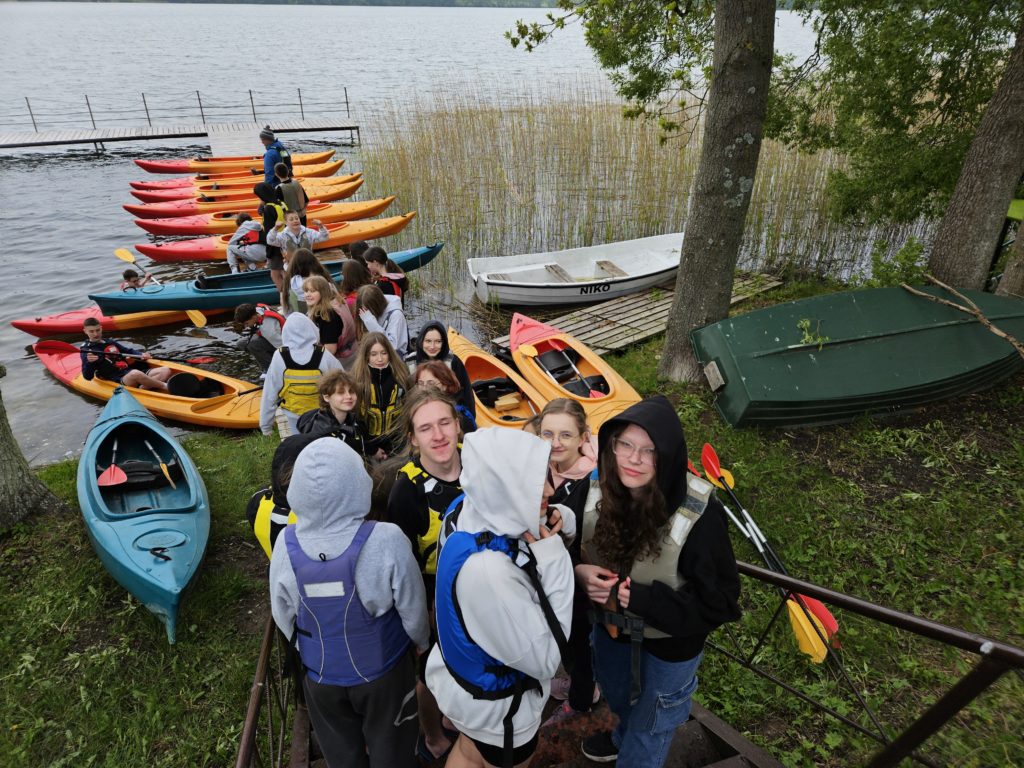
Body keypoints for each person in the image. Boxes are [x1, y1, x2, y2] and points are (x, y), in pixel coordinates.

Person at [576, 396, 741, 767]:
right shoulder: (595, 491)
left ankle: (632, 748)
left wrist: (648, 601)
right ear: (610, 446)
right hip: (611, 632)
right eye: (626, 445)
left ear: (667, 457)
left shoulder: (701, 518)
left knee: (652, 724)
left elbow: (722, 602)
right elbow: (561, 542)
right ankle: (621, 733)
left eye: (649, 451)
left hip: (670, 647)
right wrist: (578, 573)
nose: (634, 460)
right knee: (618, 698)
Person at [269, 437, 429, 768]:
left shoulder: (285, 545)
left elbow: (282, 612)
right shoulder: (387, 539)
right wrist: (421, 642)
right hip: (384, 672)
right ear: (359, 482)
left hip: (321, 674)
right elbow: (412, 606)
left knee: (341, 754)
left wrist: (303, 648)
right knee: (393, 749)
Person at [425, 428, 574, 768]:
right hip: (502, 714)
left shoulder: (467, 507)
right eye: (537, 483)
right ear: (506, 486)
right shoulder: (489, 574)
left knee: (467, 751)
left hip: (465, 688)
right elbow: (548, 659)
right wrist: (555, 558)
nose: (551, 489)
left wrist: (558, 516)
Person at [386, 388, 465, 761]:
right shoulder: (407, 492)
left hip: (476, 584)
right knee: (431, 668)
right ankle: (432, 735)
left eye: (445, 423)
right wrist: (422, 613)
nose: (439, 435)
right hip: (431, 590)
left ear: (458, 425)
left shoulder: (478, 464)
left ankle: (457, 714)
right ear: (413, 440)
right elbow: (403, 564)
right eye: (426, 428)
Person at [534, 399, 600, 726]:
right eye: (548, 433)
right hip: (550, 578)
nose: (555, 443)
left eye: (565, 435)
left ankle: (581, 699)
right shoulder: (542, 467)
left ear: (582, 438)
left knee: (577, 643)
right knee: (562, 639)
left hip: (579, 583)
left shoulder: (594, 480)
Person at [260, 313, 342, 437]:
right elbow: (343, 380)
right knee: (321, 440)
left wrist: (265, 425)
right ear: (312, 330)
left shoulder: (279, 356)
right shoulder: (323, 355)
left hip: (293, 414)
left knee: (299, 442)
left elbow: (270, 392)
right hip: (321, 414)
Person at [351, 332, 412, 460]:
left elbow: (408, 411)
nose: (380, 359)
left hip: (397, 443)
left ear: (389, 353)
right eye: (374, 354)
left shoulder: (401, 376)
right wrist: (371, 450)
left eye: (384, 353)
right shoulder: (358, 381)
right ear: (366, 356)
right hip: (369, 445)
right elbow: (356, 421)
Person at [80, 317, 173, 391]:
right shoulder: (87, 350)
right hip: (118, 379)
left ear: (101, 328)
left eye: (97, 330)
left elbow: (128, 351)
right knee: (136, 373)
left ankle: (143, 389)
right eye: (91, 331)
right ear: (85, 331)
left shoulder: (108, 342)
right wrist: (90, 363)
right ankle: (165, 386)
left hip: (128, 371)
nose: (96, 334)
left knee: (165, 370)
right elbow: (87, 377)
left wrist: (142, 354)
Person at [407, 321, 475, 420]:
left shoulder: (453, 362)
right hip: (418, 413)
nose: (432, 346)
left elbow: (466, 395)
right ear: (421, 341)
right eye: (428, 341)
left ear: (444, 343)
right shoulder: (410, 362)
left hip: (446, 413)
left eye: (438, 341)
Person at [296, 369, 367, 455]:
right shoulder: (322, 434)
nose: (348, 396)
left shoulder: (354, 419)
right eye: (341, 392)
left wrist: (373, 450)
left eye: (351, 391)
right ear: (326, 398)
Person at [414, 361, 476, 433]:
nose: (424, 388)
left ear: (445, 385)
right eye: (420, 383)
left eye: (430, 383)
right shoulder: (416, 409)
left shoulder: (461, 417)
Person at [355, 284, 409, 358]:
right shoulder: (372, 311)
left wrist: (371, 323)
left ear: (375, 306)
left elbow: (393, 346)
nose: (366, 313)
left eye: (368, 310)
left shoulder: (396, 315)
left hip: (395, 359)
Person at [233, 302, 285, 374]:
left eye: (247, 323)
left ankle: (270, 371)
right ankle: (264, 357)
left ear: (254, 317)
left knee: (253, 344)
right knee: (241, 344)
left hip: (281, 342)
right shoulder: (258, 311)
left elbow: (282, 347)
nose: (245, 327)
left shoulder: (267, 329)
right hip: (268, 338)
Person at [254, 182, 287, 291]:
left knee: (275, 275)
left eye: (259, 197)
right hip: (286, 242)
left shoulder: (268, 209)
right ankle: (290, 296)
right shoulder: (280, 203)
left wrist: (269, 253)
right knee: (284, 271)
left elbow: (269, 232)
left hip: (275, 246)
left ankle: (285, 298)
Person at [282, 248, 333, 315]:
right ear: (313, 262)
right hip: (321, 315)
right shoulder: (322, 279)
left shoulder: (292, 281)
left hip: (298, 316)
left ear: (295, 264)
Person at [304, 275, 345, 356]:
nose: (307, 294)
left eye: (312, 291)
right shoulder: (326, 306)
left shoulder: (326, 315)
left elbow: (330, 349)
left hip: (336, 361)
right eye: (306, 291)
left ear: (323, 293)